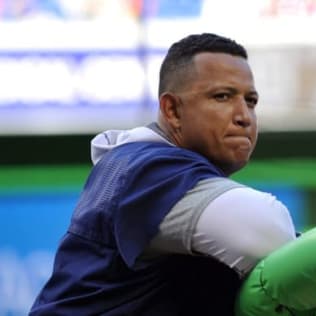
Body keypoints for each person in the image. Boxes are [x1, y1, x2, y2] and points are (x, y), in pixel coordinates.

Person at [30, 33, 296, 315]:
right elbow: (268, 231)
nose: (244, 115)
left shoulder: (144, 165)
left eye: (251, 101)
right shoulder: (145, 168)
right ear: (172, 110)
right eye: (222, 97)